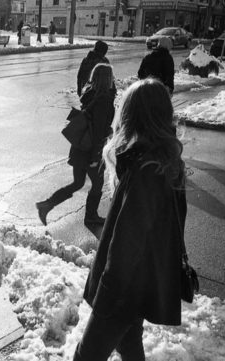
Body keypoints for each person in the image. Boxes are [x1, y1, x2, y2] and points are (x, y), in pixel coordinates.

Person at [72, 78, 187, 361]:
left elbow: (127, 244)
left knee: (86, 357)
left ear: (132, 116)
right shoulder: (161, 161)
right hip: (139, 284)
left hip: (123, 290)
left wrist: (107, 296)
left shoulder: (146, 172)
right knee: (129, 345)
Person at [36, 64, 117, 226]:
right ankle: (91, 217)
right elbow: (99, 130)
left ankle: (47, 205)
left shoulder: (89, 94)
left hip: (80, 146)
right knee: (97, 184)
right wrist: (96, 156)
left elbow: (93, 122)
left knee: (78, 183)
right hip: (91, 150)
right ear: (108, 79)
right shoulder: (104, 100)